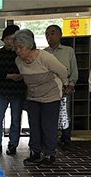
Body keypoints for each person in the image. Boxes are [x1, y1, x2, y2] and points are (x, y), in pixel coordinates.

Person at [13, 29, 68, 167]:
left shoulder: (44, 57)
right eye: (16, 48)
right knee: (34, 126)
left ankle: (50, 154)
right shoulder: (18, 61)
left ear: (30, 45)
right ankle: (35, 152)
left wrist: (64, 85)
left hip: (51, 95)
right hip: (33, 96)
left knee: (48, 126)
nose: (18, 51)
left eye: (21, 47)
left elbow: (62, 71)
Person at [0, 25, 27, 155]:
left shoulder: (20, 53)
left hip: (18, 91)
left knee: (16, 119)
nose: (9, 42)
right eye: (6, 38)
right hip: (2, 91)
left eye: (12, 39)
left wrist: (20, 76)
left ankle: (13, 144)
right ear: (3, 39)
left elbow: (27, 69)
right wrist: (10, 76)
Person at [44, 25, 78, 150]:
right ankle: (51, 139)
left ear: (60, 35)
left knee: (65, 113)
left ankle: (66, 139)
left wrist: (71, 85)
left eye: (52, 33)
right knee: (50, 115)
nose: (49, 36)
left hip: (64, 86)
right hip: (49, 88)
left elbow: (74, 70)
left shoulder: (68, 51)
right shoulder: (44, 53)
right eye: (47, 34)